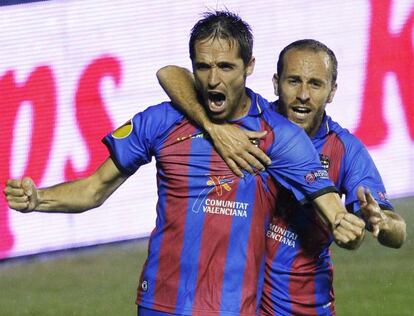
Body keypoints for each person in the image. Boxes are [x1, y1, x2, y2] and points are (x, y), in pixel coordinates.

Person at [4, 12, 365, 316]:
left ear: (249, 67)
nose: (213, 79)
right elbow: (94, 189)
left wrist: (343, 222)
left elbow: (330, 204)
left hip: (232, 309)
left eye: (226, 67)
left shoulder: (280, 137)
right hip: (160, 303)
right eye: (203, 67)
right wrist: (39, 200)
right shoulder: (162, 122)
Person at [155, 39, 407, 315]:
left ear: (332, 92)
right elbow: (170, 73)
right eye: (293, 81)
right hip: (235, 303)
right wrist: (213, 128)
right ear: (276, 83)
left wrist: (380, 222)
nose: (303, 95)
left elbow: (397, 233)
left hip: (303, 306)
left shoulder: (346, 150)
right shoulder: (248, 121)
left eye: (315, 84)